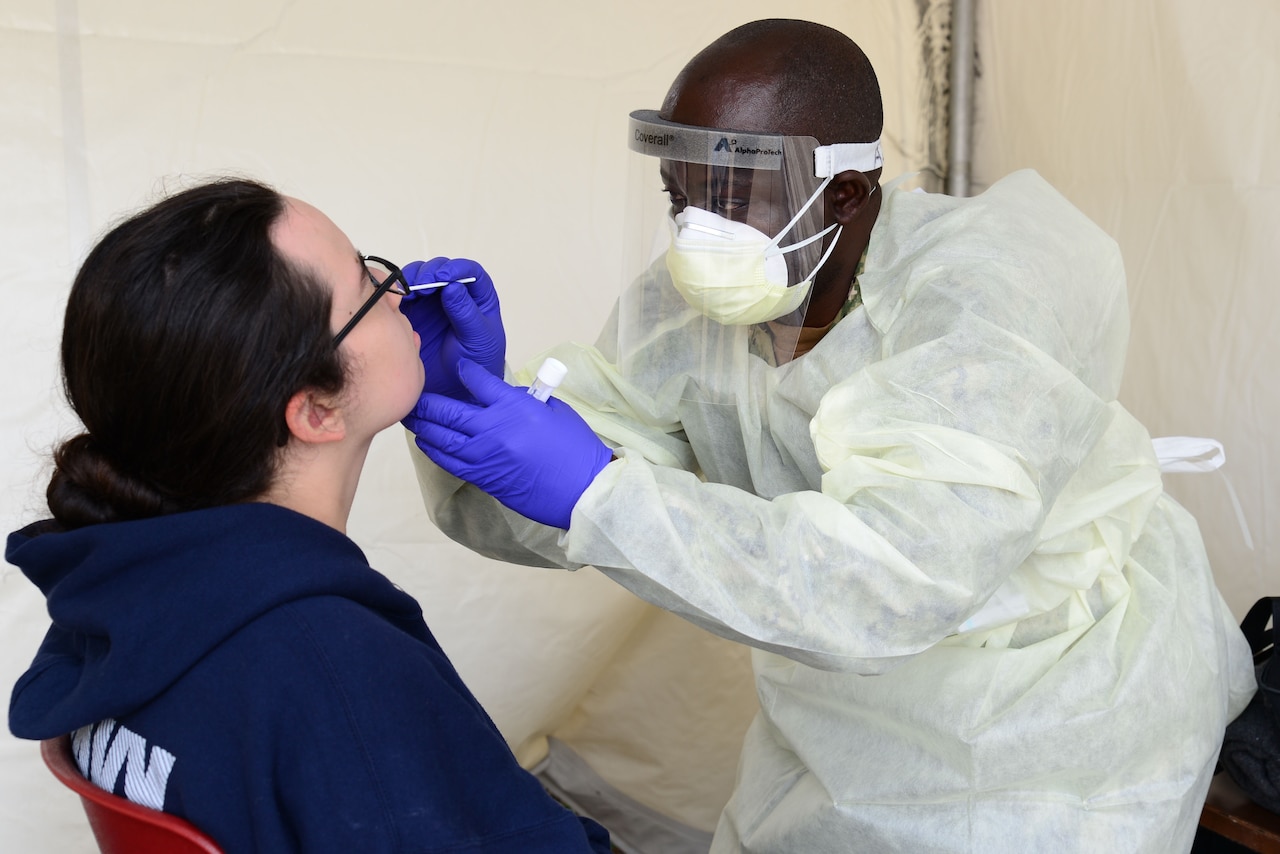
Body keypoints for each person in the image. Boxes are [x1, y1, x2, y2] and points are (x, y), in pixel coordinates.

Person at [399, 19, 1255, 854]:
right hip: (837, 709)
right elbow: (571, 469)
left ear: (845, 193)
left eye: (731, 196)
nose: (698, 227)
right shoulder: (690, 308)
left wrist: (600, 492)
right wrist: (459, 402)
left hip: (1048, 718)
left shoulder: (987, 299)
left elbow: (889, 581)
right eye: (680, 192)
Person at [6, 178, 612, 854]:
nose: (401, 288)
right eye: (366, 285)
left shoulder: (116, 602)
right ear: (317, 411)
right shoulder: (333, 665)